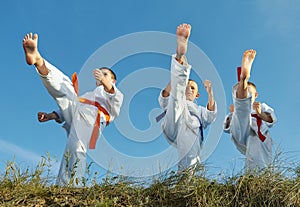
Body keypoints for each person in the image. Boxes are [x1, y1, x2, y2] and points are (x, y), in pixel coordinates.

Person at [22, 33, 124, 186]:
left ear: (113, 80)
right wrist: (52, 115)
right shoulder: (89, 95)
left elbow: (114, 95)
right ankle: (38, 61)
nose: (101, 77)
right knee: (67, 87)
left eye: (105, 74)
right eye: (100, 75)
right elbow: (66, 104)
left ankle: (75, 187)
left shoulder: (114, 94)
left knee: (77, 149)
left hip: (93, 119)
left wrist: (105, 82)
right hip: (78, 112)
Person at [157, 24, 217, 171]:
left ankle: (186, 180)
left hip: (190, 129)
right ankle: (179, 55)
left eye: (192, 88)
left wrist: (210, 92)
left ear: (197, 94)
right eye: (187, 86)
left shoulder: (199, 110)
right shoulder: (177, 96)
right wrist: (176, 80)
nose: (189, 89)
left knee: (190, 158)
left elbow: (210, 115)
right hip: (174, 121)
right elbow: (165, 96)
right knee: (176, 99)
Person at [223, 49, 277, 171]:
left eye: (250, 93)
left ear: (256, 94)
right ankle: (243, 79)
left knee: (259, 164)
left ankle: (255, 180)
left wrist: (260, 114)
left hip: (258, 135)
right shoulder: (238, 109)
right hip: (241, 129)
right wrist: (232, 114)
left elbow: (271, 120)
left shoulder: (262, 105)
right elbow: (227, 127)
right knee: (242, 110)